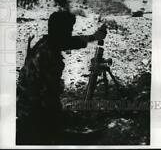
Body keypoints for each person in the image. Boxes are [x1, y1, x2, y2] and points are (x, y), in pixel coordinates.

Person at [16, 10, 107, 145]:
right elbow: (48, 96)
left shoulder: (45, 42)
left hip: (24, 107)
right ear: (60, 31)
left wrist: (94, 37)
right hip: (33, 113)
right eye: (68, 30)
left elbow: (70, 42)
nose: (70, 33)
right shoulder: (47, 55)